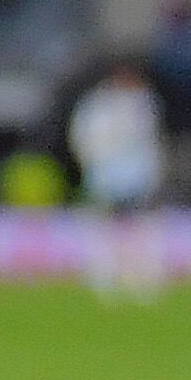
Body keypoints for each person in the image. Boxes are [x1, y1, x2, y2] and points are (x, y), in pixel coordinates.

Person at [68, 59, 170, 302]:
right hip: (107, 176)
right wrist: (93, 168)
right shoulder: (97, 105)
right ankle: (104, 279)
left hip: (138, 176)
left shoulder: (145, 103)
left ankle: (144, 280)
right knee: (104, 229)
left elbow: (151, 143)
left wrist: (154, 173)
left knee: (144, 228)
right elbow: (83, 139)